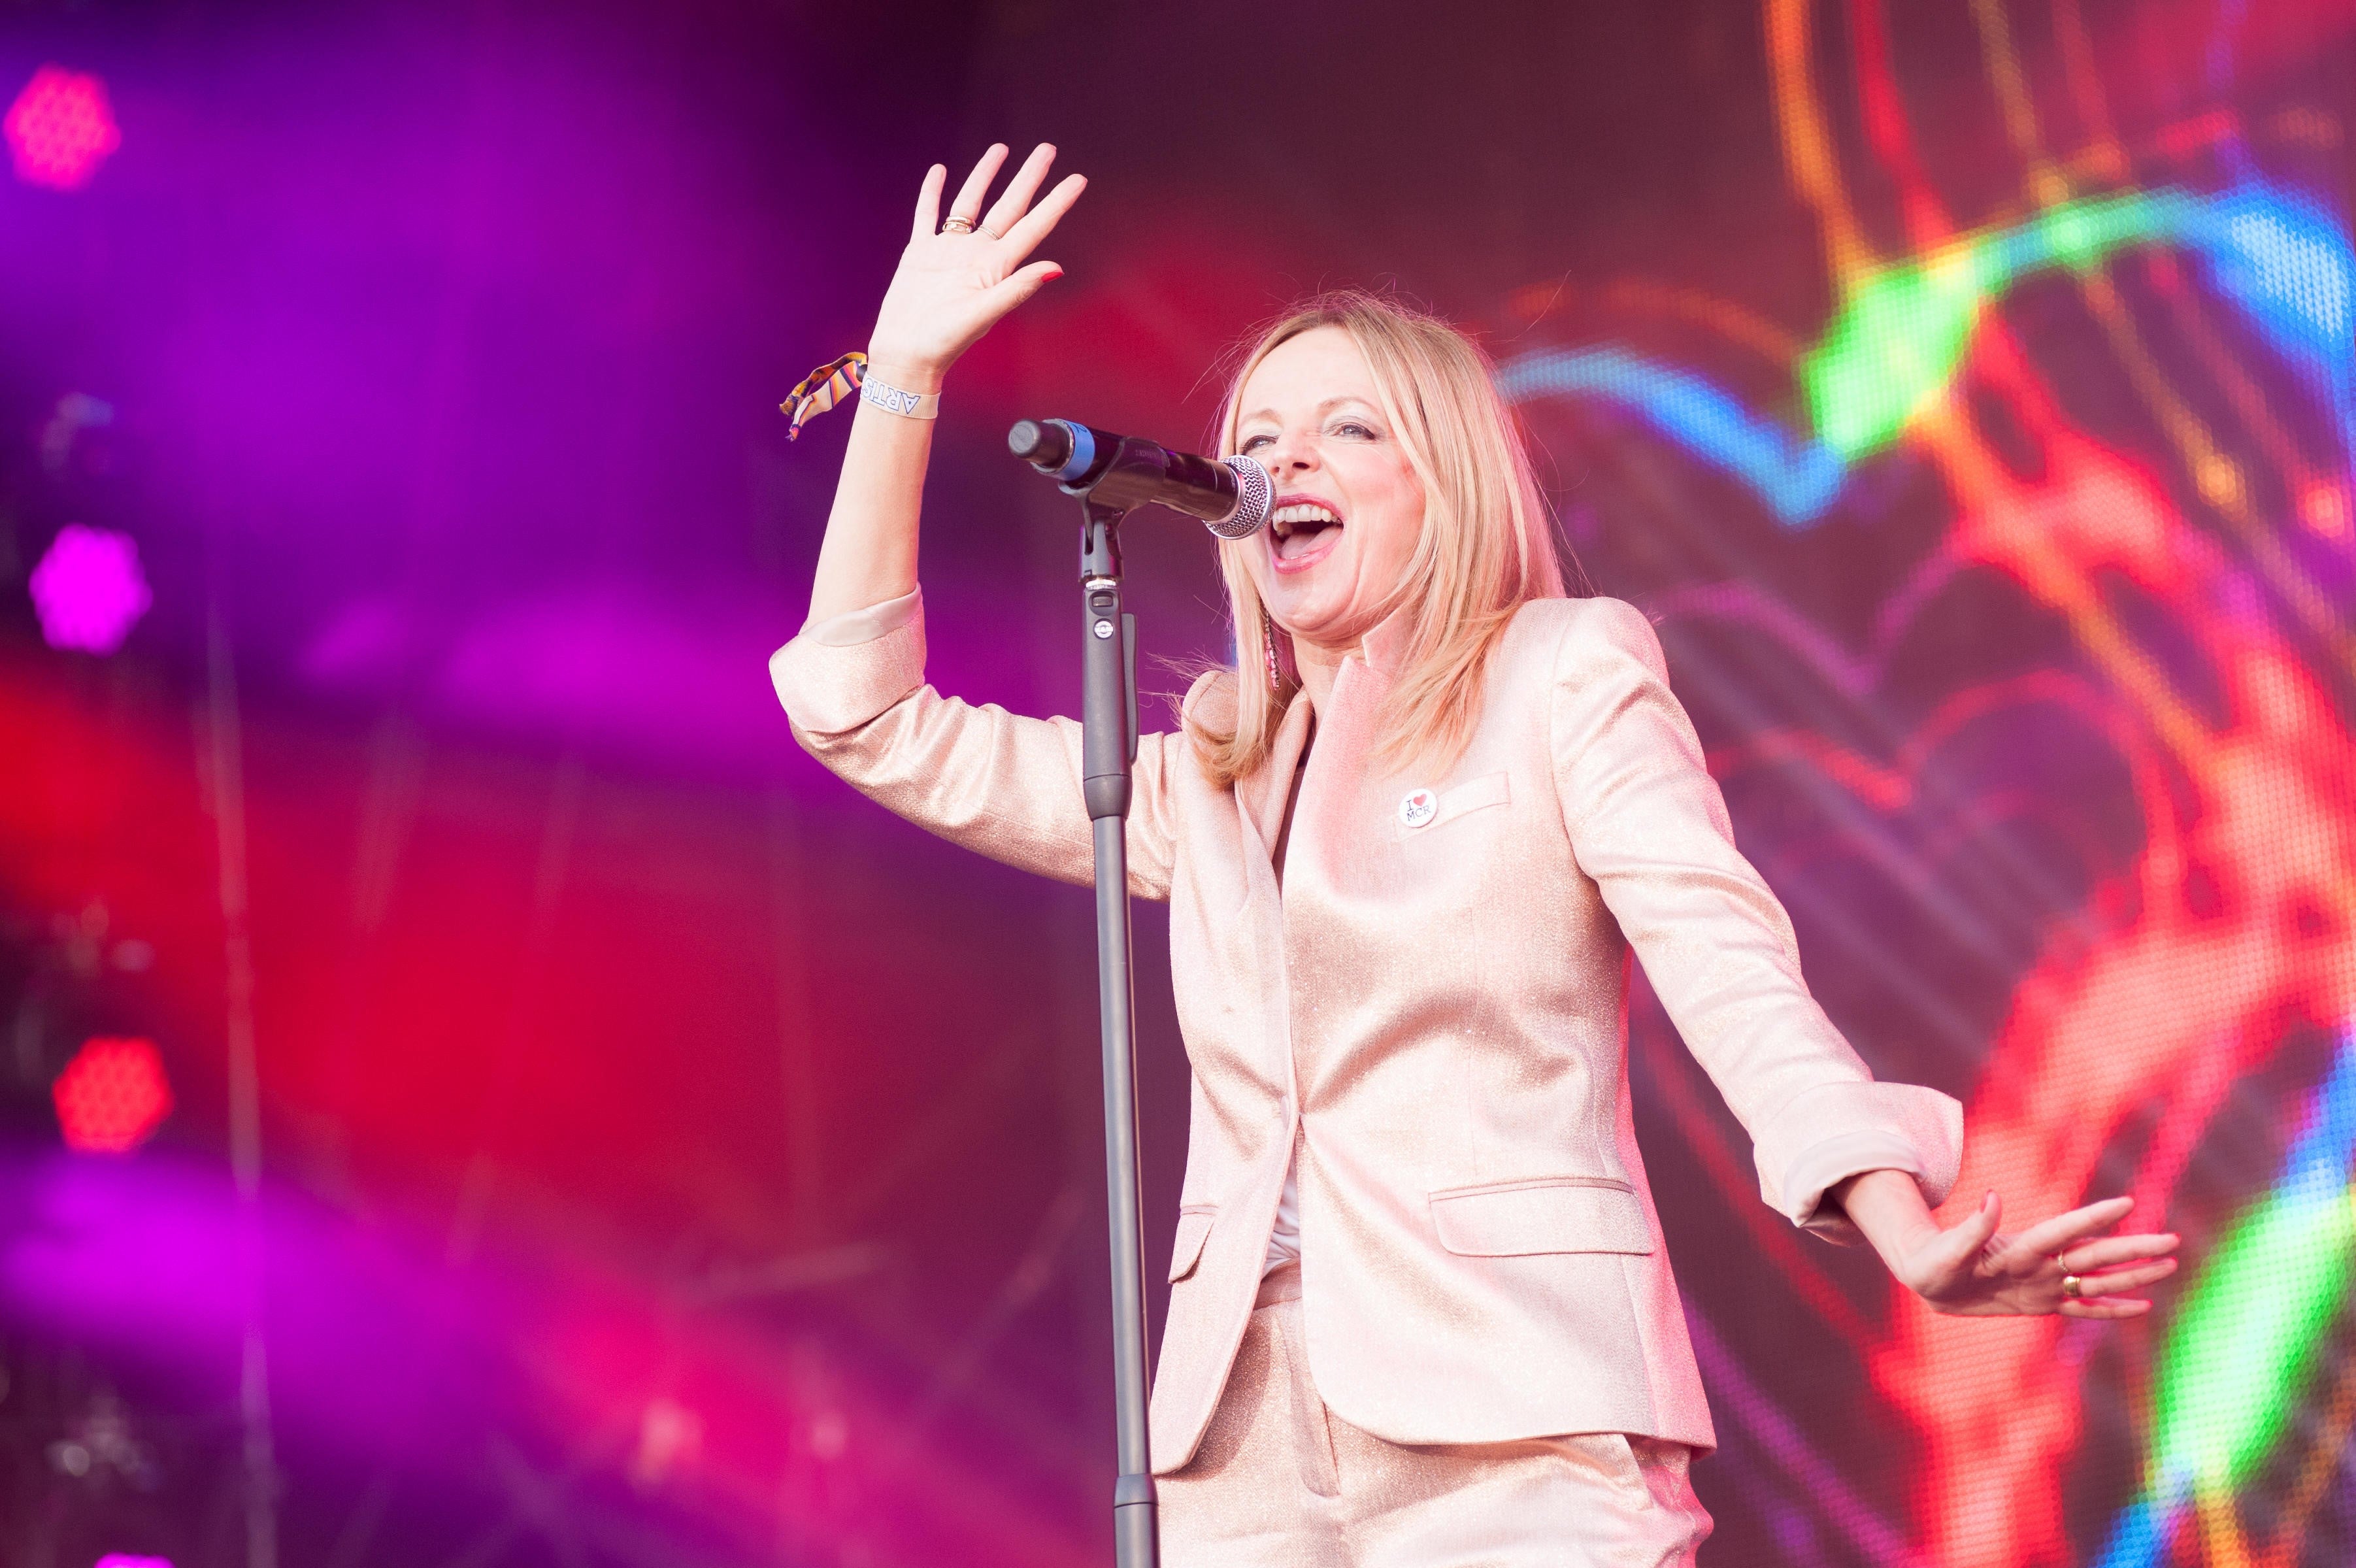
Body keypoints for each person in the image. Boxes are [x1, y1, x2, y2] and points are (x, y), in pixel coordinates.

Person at [769, 143, 2180, 1567]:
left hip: (1516, 1417)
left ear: (1444, 485)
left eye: (1348, 430)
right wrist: (905, 379)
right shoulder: (1211, 776)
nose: (1280, 464)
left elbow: (1730, 970)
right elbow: (862, 716)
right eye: (1258, 438)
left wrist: (1895, 1220)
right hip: (1237, 1453)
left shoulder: (1562, 675)